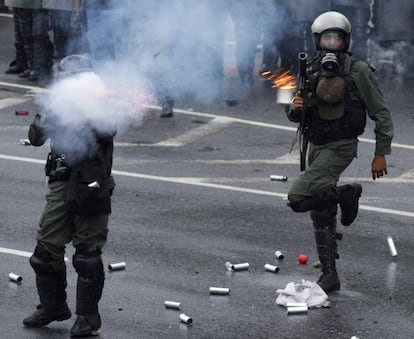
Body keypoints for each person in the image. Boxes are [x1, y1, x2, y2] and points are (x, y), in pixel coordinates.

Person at [286, 11, 393, 293]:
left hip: (341, 145)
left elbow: (381, 112)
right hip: (316, 145)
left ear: (345, 41)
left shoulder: (357, 70)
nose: (331, 44)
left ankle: (347, 193)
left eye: (337, 38)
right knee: (321, 211)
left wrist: (381, 152)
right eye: (326, 38)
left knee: (298, 198)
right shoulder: (309, 69)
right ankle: (330, 275)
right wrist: (295, 108)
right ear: (317, 41)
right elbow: (296, 114)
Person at [23, 55, 116, 338]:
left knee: (87, 256)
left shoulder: (102, 105)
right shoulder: (61, 104)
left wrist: (85, 107)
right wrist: (56, 108)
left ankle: (88, 318)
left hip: (90, 183)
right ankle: (53, 308)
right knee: (44, 251)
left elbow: (107, 128)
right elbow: (36, 136)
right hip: (61, 184)